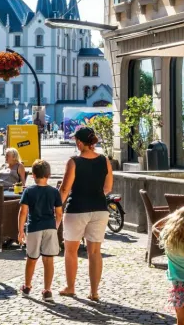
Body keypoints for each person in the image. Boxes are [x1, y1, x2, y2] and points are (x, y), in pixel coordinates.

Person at [58, 127, 113, 301]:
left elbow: (65, 189)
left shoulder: (73, 162)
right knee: (95, 252)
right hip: (99, 209)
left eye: (76, 140)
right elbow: (108, 187)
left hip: (76, 209)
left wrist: (57, 207)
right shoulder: (105, 161)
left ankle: (71, 287)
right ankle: (94, 291)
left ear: (80, 143)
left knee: (71, 250)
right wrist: (95, 195)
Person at [17, 160, 63, 301]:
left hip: (34, 227)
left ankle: (27, 286)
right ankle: (47, 290)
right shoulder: (54, 192)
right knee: (49, 260)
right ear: (49, 175)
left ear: (33, 175)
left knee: (31, 258)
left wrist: (20, 231)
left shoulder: (29, 191)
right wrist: (55, 226)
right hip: (50, 227)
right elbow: (59, 213)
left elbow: (23, 212)